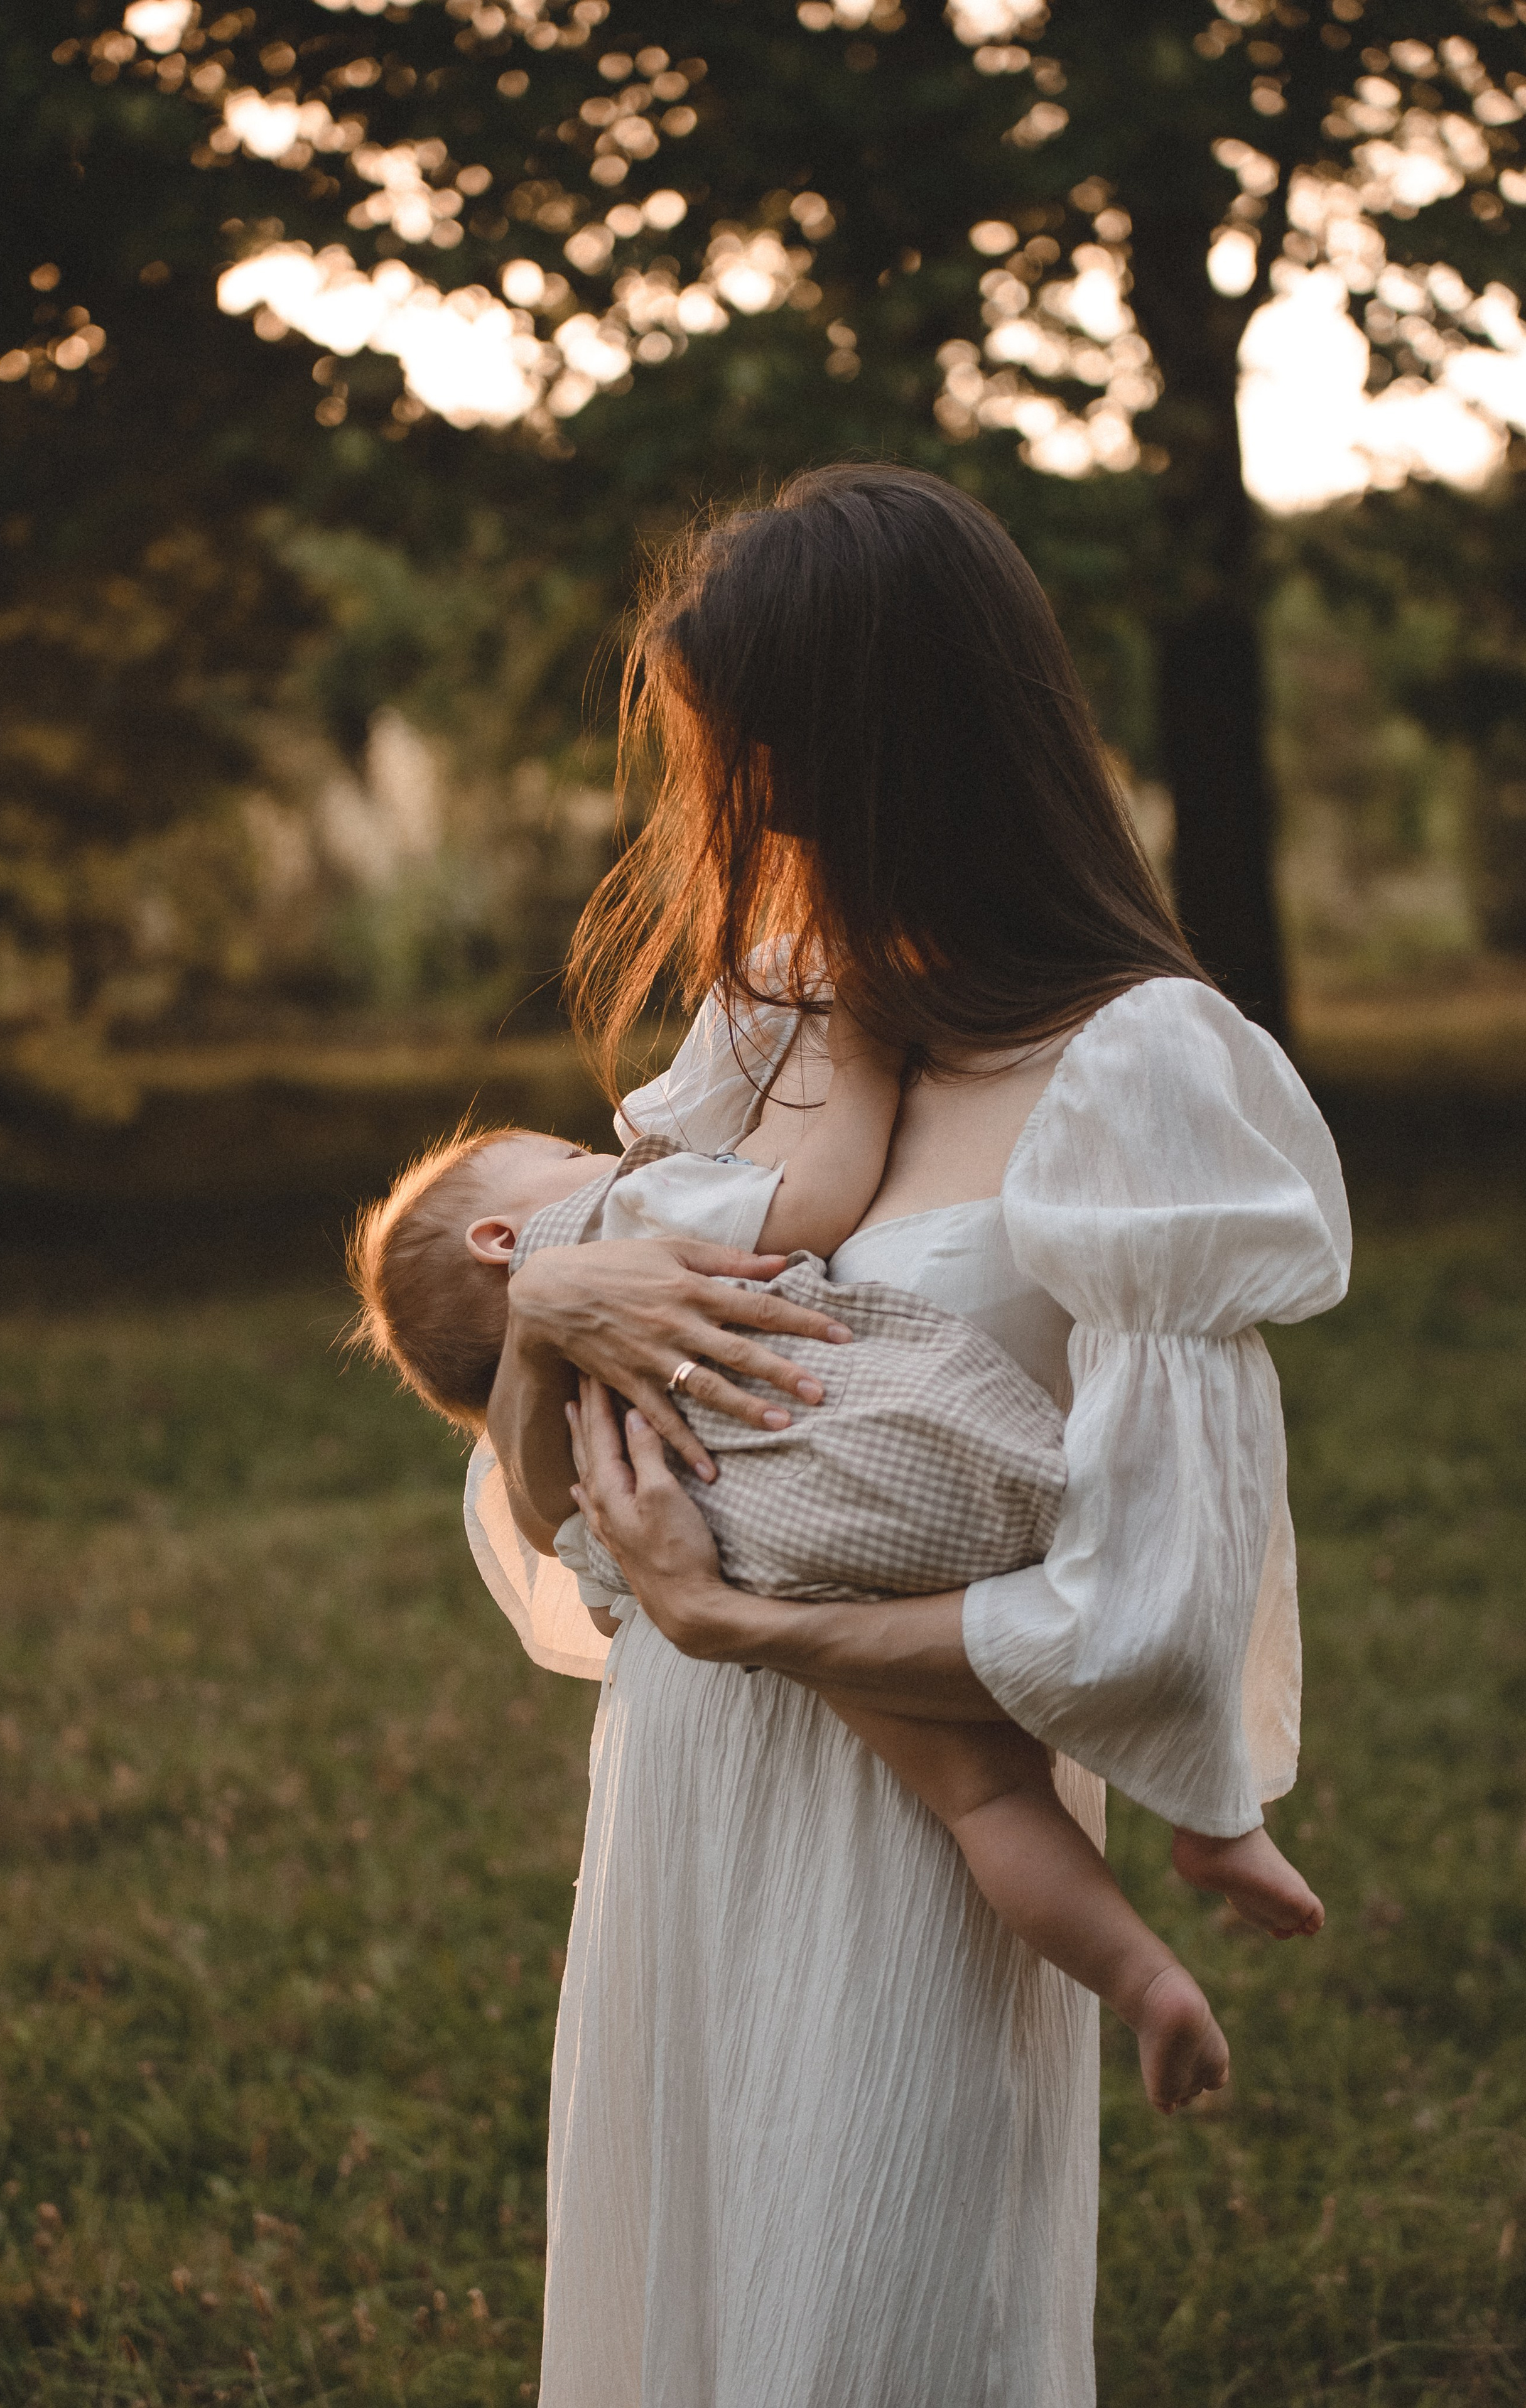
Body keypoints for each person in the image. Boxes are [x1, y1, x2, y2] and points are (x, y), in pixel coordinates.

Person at [462, 463, 1351, 2406]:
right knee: (676, 2305)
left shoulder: (1137, 1074)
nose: (740, 816)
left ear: (902, 751)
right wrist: (543, 1306)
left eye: (769, 761)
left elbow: (1159, 1614)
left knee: (871, 2322)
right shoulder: (767, 1030)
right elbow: (560, 1517)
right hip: (684, 1794)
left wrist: (762, 1625)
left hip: (915, 1850)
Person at [349, 1010, 1323, 2118]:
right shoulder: (612, 1224)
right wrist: (866, 1053)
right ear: (502, 1243)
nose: (600, 1157)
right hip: (914, 1475)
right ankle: (1219, 1817)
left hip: (774, 1566)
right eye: (568, 1158)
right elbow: (811, 1203)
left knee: (986, 1797)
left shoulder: (560, 1417)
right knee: (1143, 1590)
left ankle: (1148, 1985)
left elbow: (552, 1527)